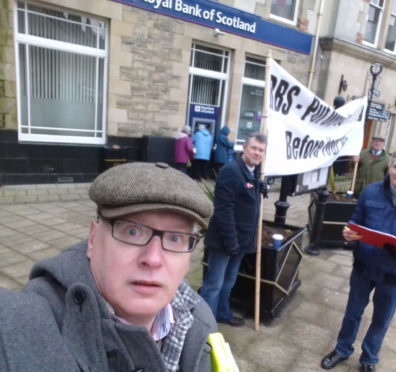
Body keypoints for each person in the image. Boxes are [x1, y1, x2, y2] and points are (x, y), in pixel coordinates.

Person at [0, 162, 218, 372]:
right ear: (93, 238)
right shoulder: (21, 324)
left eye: (175, 238)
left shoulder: (200, 319)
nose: (153, 259)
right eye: (132, 231)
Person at [320, 148, 396, 372]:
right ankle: (342, 349)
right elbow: (356, 221)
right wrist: (349, 233)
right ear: (390, 168)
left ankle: (369, 358)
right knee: (353, 312)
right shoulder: (370, 192)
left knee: (381, 319)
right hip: (363, 266)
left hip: (395, 273)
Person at [200, 133, 268, 327]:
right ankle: (205, 326)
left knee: (229, 281)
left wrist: (258, 186)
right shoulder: (231, 171)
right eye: (253, 148)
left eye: (261, 150)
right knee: (214, 284)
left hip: (241, 240)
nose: (257, 153)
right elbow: (223, 209)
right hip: (225, 240)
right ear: (244, 148)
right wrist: (231, 242)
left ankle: (223, 313)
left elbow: (245, 195)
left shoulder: (253, 172)